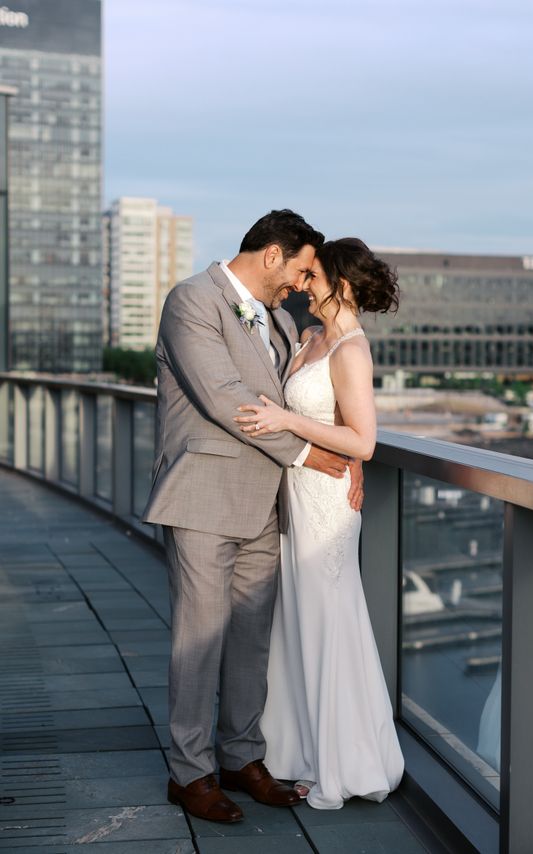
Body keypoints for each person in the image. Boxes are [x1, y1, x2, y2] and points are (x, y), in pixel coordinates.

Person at [142, 210, 363, 824]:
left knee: (249, 643)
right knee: (199, 641)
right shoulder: (192, 300)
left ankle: (242, 757)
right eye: (298, 270)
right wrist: (308, 452)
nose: (298, 285)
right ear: (272, 256)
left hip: (269, 502)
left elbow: (300, 397)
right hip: (204, 499)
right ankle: (190, 774)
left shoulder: (282, 320)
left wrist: (348, 446)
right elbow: (224, 398)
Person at [234, 237, 405, 809]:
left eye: (315, 277)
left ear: (343, 285)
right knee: (298, 622)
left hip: (328, 501)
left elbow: (364, 440)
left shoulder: (352, 350)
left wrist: (286, 419)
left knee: (329, 621)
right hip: (295, 493)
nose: (304, 284)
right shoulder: (309, 338)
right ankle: (299, 750)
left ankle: (342, 760)